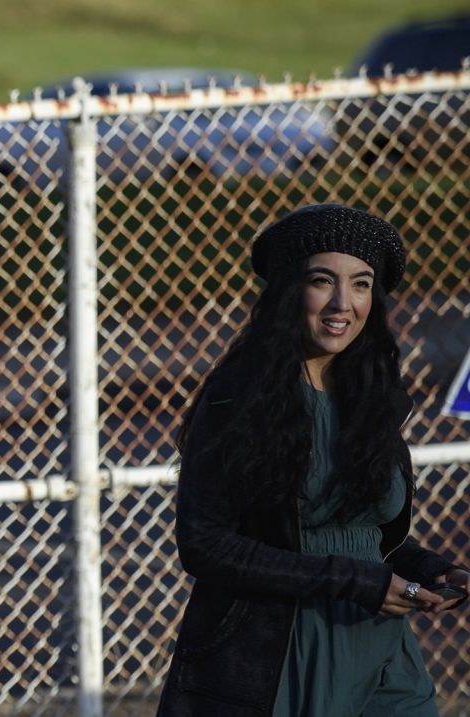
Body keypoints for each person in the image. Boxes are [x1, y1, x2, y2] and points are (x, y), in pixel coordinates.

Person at [156, 203, 468, 716]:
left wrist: (434, 570)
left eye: (362, 284)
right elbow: (205, 546)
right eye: (322, 281)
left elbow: (368, 536)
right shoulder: (235, 399)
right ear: (286, 292)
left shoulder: (375, 398)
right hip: (280, 659)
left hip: (384, 660)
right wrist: (353, 582)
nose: (342, 304)